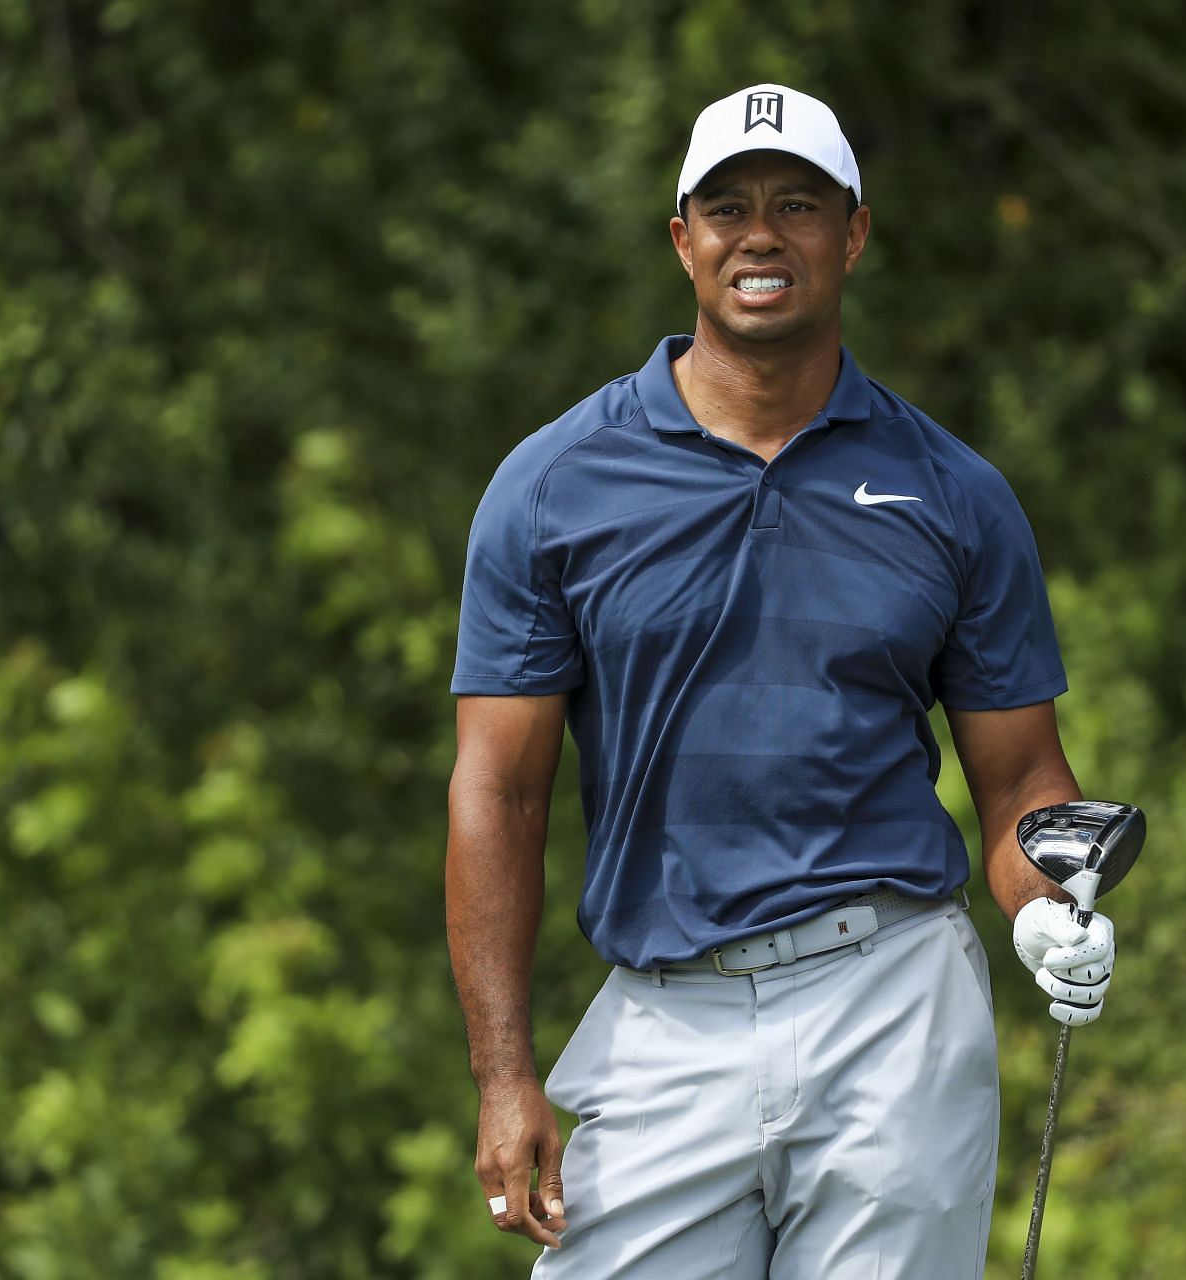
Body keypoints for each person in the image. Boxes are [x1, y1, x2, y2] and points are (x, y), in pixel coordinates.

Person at [445, 83, 1118, 1279]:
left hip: (892, 1000)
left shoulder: (955, 493)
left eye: (798, 204)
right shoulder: (553, 488)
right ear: (683, 240)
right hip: (666, 1012)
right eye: (729, 207)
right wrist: (505, 1074)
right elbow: (498, 793)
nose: (762, 234)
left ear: (852, 233)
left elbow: (1021, 780)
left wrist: (1047, 908)